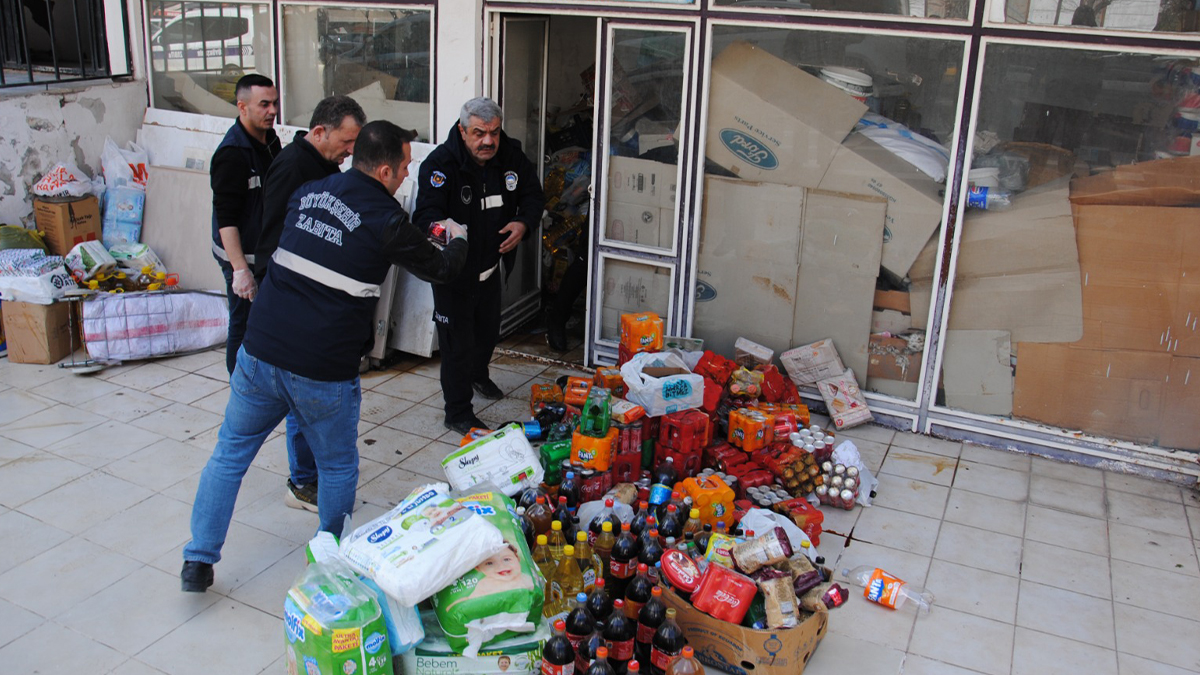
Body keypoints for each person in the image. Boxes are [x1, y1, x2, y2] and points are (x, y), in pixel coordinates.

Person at [181, 121, 468, 592]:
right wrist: (457, 237)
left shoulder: (310, 191)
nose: (406, 174)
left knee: (229, 455)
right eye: (404, 166)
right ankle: (330, 560)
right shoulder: (386, 219)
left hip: (261, 350)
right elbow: (440, 268)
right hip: (322, 368)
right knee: (336, 467)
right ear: (384, 170)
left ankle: (197, 560)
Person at [254, 95, 367, 514]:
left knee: (305, 400)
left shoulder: (324, 166)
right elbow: (273, 238)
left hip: (313, 306)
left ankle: (311, 475)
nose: (350, 151)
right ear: (319, 132)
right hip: (290, 305)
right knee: (298, 402)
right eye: (346, 141)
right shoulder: (293, 168)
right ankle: (303, 481)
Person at [414, 97, 545, 434]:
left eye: (494, 132)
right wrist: (449, 234)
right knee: (456, 345)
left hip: (489, 270)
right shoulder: (440, 165)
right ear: (462, 131)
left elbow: (533, 195)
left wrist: (523, 224)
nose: (488, 141)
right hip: (454, 274)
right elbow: (425, 220)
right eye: (479, 133)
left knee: (487, 334)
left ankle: (477, 375)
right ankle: (457, 412)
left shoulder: (510, 155)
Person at [210, 73, 281, 376]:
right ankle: (238, 385)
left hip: (262, 252)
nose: (272, 111)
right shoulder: (231, 155)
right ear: (242, 107)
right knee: (242, 324)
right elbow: (226, 218)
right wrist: (240, 270)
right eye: (264, 104)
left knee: (264, 323)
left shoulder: (270, 140)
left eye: (275, 103)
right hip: (240, 256)